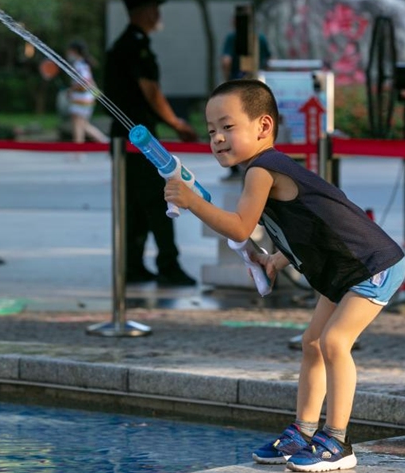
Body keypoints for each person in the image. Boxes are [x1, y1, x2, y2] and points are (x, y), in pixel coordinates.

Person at [164, 79, 405, 473]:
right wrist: (277, 260)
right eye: (211, 131)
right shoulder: (266, 169)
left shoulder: (262, 169)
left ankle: (338, 442)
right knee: (312, 342)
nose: (218, 138)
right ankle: (303, 432)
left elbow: (242, 227)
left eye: (227, 127)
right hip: (342, 268)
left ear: (262, 126)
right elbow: (309, 225)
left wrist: (191, 201)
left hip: (372, 265)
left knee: (334, 341)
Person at [104, 0, 199, 286]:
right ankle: (168, 264)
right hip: (139, 139)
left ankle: (132, 264)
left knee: (134, 203)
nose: (158, 15)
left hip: (125, 137)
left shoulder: (123, 45)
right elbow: (151, 91)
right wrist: (177, 123)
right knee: (159, 201)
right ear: (144, 12)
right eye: (154, 9)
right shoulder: (136, 46)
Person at [219, 25, 271, 182]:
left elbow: (226, 60)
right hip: (256, 88)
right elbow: (268, 60)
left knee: (231, 126)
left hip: (236, 89)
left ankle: (236, 167)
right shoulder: (260, 37)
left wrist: (227, 80)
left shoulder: (232, 37)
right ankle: (257, 164)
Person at [65, 39, 109, 146]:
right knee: (83, 125)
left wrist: (71, 90)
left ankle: (79, 151)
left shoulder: (79, 64)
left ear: (74, 51)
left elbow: (84, 82)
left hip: (81, 99)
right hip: (86, 98)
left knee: (78, 125)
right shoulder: (83, 63)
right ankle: (106, 143)